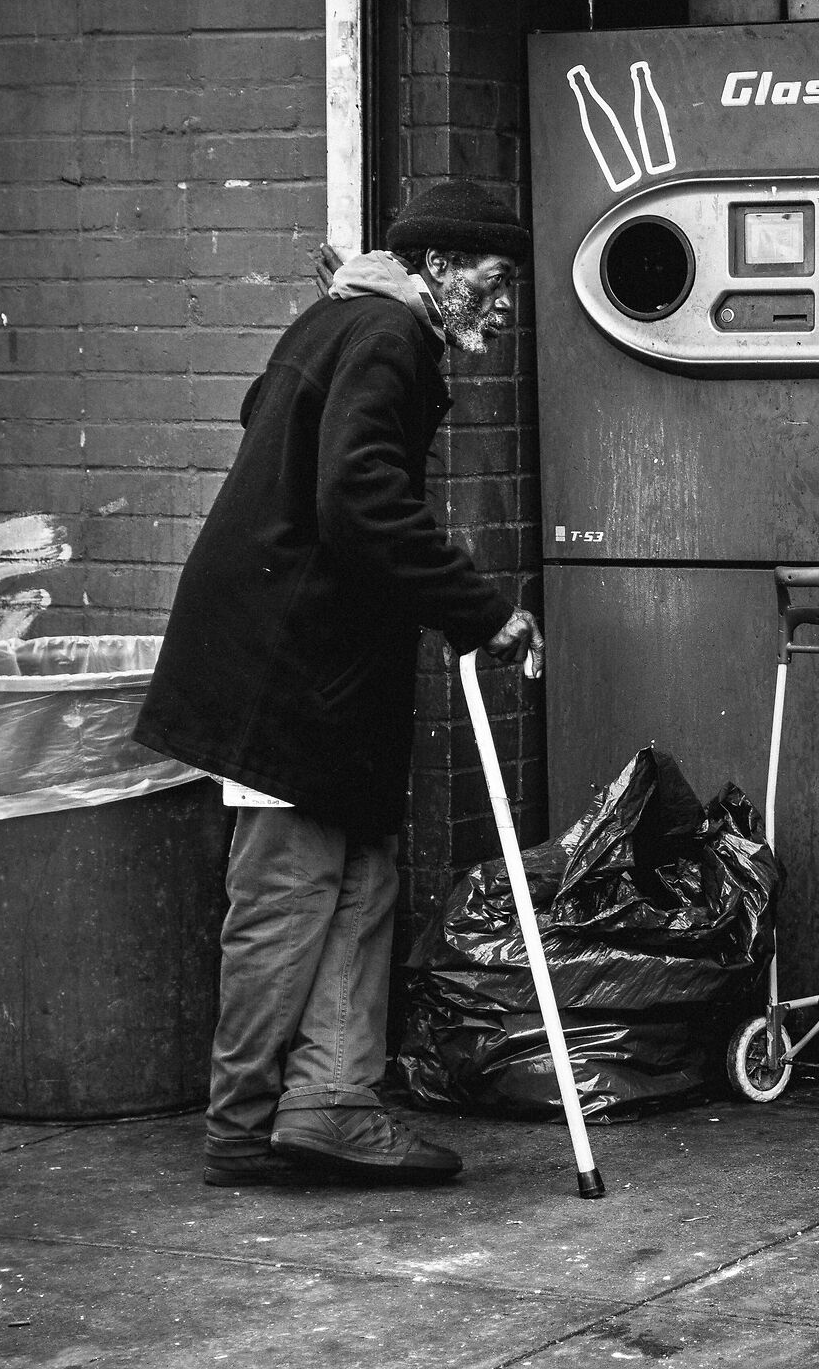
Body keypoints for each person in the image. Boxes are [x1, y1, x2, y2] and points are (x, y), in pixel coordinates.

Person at [136, 181, 547, 1188]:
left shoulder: (355, 324)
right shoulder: (387, 336)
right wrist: (480, 609)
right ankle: (240, 1125)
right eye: (492, 284)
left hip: (313, 654)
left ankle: (331, 1102)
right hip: (286, 659)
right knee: (288, 888)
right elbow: (358, 495)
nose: (504, 307)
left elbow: (280, 429)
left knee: (362, 878)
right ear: (439, 270)